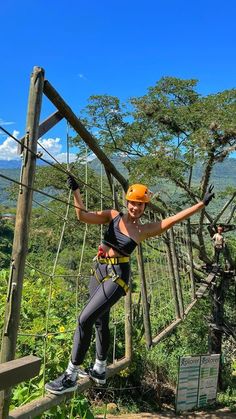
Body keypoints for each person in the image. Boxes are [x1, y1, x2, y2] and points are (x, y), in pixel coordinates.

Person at [45, 180, 215, 395]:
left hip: (117, 277)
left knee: (83, 319)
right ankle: (99, 367)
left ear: (145, 207)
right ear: (126, 202)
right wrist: (76, 191)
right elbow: (83, 216)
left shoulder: (143, 230)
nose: (135, 208)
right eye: (132, 203)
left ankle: (70, 375)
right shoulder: (113, 215)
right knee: (99, 320)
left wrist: (201, 204)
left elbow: (172, 220)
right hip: (98, 270)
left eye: (140, 205)